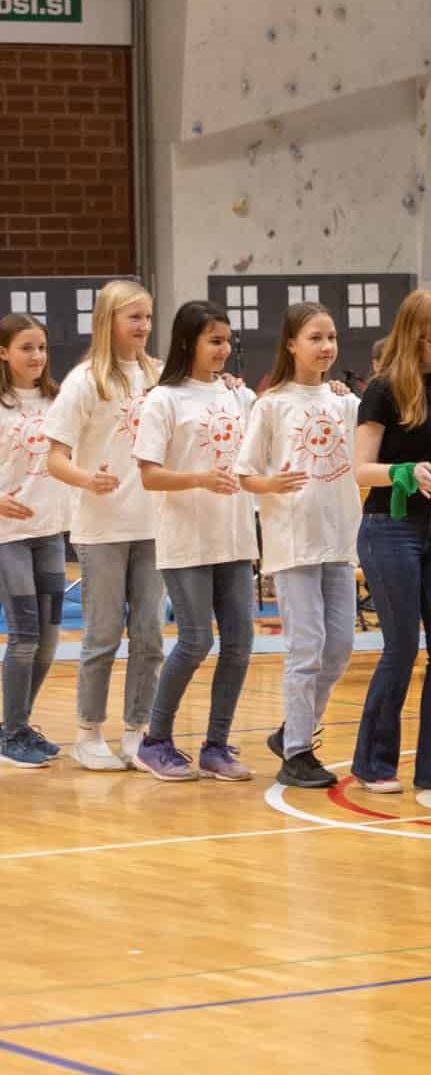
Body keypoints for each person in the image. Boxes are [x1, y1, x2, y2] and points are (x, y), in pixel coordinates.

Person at [351, 289, 431, 794]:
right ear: (412, 337)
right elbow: (360, 469)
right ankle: (373, 762)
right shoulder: (382, 391)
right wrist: (401, 471)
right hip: (390, 530)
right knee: (402, 647)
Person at [235, 302, 362, 790]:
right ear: (291, 344)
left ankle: (294, 729)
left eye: (331, 337)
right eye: (315, 338)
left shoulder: (346, 403)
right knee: (306, 648)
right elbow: (246, 474)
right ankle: (297, 753)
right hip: (293, 542)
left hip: (339, 539)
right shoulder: (270, 405)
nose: (326, 346)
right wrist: (271, 485)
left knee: (340, 648)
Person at [131, 300, 258, 782]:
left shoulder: (239, 396)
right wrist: (200, 479)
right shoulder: (163, 400)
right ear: (188, 342)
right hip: (186, 540)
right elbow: (149, 475)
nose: (224, 349)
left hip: (235, 537)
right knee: (196, 639)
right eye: (214, 341)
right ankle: (155, 741)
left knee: (240, 643)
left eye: (227, 341)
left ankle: (216, 747)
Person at [45, 280, 161, 772]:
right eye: (134, 317)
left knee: (150, 636)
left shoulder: (160, 376)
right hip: (102, 528)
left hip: (154, 526)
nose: (143, 326)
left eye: (148, 317)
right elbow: (55, 458)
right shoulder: (84, 381)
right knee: (103, 635)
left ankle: (137, 732)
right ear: (108, 321)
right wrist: (87, 479)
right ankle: (88, 732)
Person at [0, 314, 69, 768]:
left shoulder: (59, 400)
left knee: (48, 639)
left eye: (41, 347)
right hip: (9, 538)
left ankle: (18, 725)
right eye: (26, 347)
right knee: (24, 635)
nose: (36, 356)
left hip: (50, 533)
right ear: (3, 352)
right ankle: (11, 734)